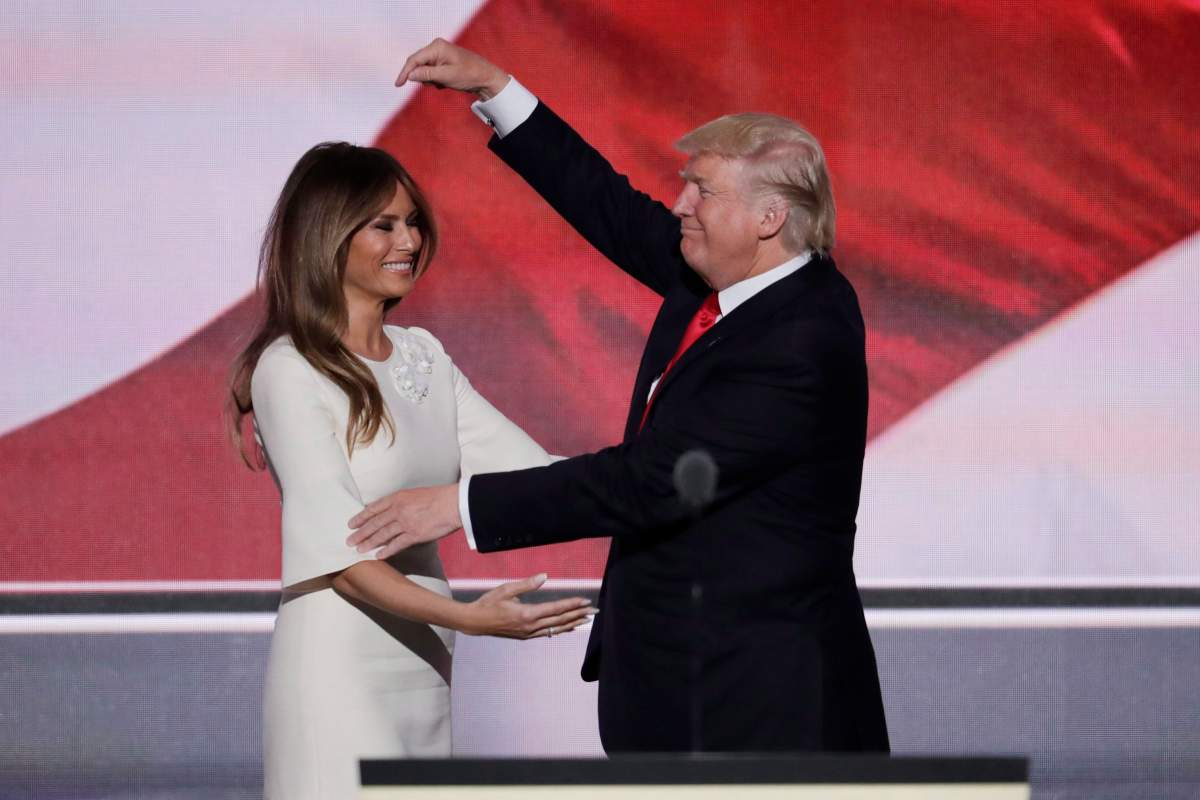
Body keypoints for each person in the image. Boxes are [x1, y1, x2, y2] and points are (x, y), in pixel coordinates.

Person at [347, 40, 890, 753]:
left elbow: (651, 481)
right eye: (685, 183)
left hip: (758, 703)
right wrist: (496, 87)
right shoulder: (726, 276)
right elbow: (606, 204)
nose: (680, 205)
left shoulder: (801, 334)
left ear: (769, 219)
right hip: (677, 684)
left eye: (703, 192)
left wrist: (458, 503)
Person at [226, 141, 594, 799]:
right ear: (327, 236)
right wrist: (469, 619)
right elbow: (340, 558)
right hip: (337, 673)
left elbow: (535, 476)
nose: (410, 239)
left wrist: (655, 476)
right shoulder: (288, 368)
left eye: (413, 221)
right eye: (384, 224)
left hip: (424, 665)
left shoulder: (422, 355)